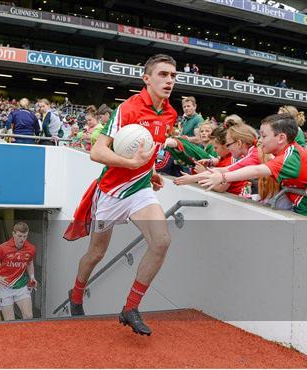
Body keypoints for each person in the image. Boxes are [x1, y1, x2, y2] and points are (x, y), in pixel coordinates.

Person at [64, 54, 178, 336]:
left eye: (173, 76)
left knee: (161, 241)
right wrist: (132, 164)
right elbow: (97, 152)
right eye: (163, 74)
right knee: (96, 254)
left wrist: (148, 171)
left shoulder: (170, 114)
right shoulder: (127, 109)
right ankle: (76, 294)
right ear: (147, 79)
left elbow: (148, 149)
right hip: (112, 192)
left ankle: (130, 308)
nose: (169, 81)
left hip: (140, 190)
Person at [198, 114, 307, 219]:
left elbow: (257, 170)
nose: (260, 141)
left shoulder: (291, 156)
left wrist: (222, 176)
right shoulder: (286, 153)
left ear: (281, 138)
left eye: (263, 136)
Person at [0, 222, 37, 321]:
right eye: (19, 236)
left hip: (22, 286)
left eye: (25, 236)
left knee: (28, 317)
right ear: (13, 234)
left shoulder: (31, 248)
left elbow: (30, 262)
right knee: (10, 322)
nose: (22, 239)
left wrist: (32, 277)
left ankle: (25, 336)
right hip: (5, 288)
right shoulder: (2, 248)